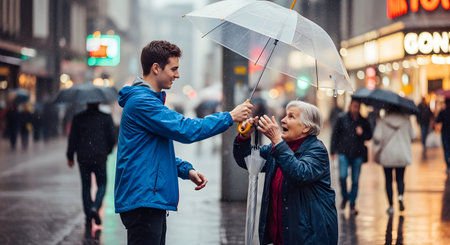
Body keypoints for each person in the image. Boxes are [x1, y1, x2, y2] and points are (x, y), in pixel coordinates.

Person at [114, 40, 253, 245]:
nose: (177, 75)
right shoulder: (143, 102)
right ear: (156, 68)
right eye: (174, 68)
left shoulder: (147, 101)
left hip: (148, 200)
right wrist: (230, 117)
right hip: (143, 201)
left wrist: (185, 170)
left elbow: (153, 152)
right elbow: (186, 129)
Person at [233, 101, 338, 245]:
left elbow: (299, 173)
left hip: (308, 236)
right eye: (285, 115)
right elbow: (248, 160)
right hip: (281, 236)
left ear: (306, 127)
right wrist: (244, 136)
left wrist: (277, 140)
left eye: (291, 116)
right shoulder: (276, 148)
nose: (283, 119)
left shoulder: (317, 150)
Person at [66, 102, 117, 233]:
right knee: (102, 184)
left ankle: (88, 216)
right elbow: (112, 138)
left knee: (86, 186)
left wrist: (70, 155)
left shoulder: (78, 118)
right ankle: (95, 207)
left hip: (83, 158)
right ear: (99, 103)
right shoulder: (106, 117)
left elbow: (73, 139)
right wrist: (107, 150)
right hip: (100, 157)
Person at [330, 99, 372, 215]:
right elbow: (335, 134)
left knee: (355, 181)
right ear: (350, 106)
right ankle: (345, 197)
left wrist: (362, 133)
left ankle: (352, 203)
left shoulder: (363, 121)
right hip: (343, 152)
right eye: (354, 107)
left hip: (358, 154)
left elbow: (369, 136)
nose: (355, 109)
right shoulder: (342, 118)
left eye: (357, 107)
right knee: (342, 177)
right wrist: (333, 150)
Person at [372, 106, 414, 215]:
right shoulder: (406, 120)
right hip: (402, 154)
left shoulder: (383, 120)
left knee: (388, 180)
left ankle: (391, 205)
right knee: (400, 179)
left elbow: (377, 136)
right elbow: (413, 135)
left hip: (387, 155)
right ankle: (400, 197)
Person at [435, 99, 450, 174]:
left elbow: (437, 120)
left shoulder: (443, 112)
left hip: (445, 133)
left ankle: (448, 166)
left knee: (446, 150)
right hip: (445, 132)